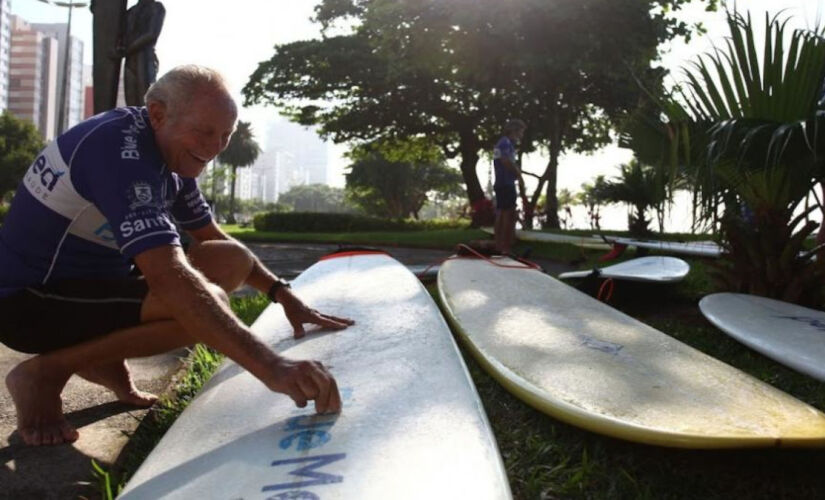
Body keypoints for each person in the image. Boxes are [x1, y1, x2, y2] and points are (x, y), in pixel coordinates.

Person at [0, 65, 354, 446]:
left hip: (87, 290)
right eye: (205, 132)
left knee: (229, 259)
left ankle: (99, 355)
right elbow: (168, 276)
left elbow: (213, 239)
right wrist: (273, 366)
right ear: (157, 114)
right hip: (25, 304)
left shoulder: (170, 153)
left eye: (225, 135)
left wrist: (284, 296)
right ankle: (46, 373)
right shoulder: (120, 154)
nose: (215, 147)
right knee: (203, 307)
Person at [492, 119, 526, 255]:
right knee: (508, 213)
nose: (521, 135)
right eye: (521, 131)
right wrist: (518, 174)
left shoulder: (503, 144)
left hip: (501, 183)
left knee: (501, 212)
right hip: (506, 183)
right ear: (514, 130)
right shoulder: (505, 143)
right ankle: (505, 247)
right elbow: (506, 161)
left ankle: (499, 245)